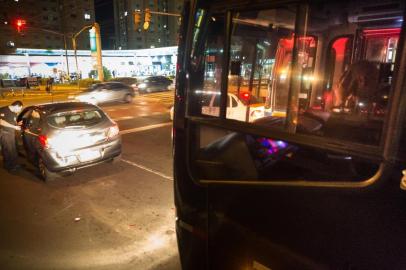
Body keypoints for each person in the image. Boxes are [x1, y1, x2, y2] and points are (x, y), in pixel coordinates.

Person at [0, 100, 23, 172]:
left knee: (13, 149)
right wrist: (14, 127)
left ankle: (15, 164)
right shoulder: (3, 110)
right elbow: (1, 121)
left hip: (11, 133)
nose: (20, 110)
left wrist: (17, 124)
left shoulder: (14, 113)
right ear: (16, 106)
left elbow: (14, 121)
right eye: (20, 108)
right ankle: (9, 166)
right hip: (5, 133)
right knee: (8, 150)